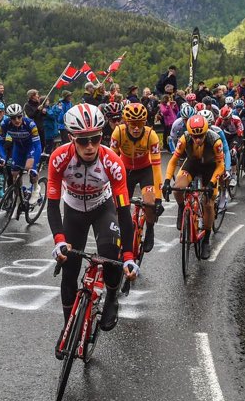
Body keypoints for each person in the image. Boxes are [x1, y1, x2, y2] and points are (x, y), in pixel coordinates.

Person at [48, 103, 137, 355]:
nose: (90, 146)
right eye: (83, 140)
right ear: (71, 138)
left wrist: (129, 257)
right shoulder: (59, 158)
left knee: (110, 254)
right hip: (73, 210)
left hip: (102, 207)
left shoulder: (113, 162)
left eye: (95, 139)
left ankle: (111, 296)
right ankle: (68, 328)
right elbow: (52, 205)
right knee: (69, 269)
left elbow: (123, 212)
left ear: (102, 136)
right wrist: (58, 240)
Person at [162, 114, 225, 259]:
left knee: (208, 204)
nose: (198, 139)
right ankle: (181, 208)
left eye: (201, 136)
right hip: (192, 164)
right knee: (178, 188)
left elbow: (221, 165)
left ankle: (206, 240)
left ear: (206, 131)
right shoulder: (184, 138)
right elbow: (173, 161)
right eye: (194, 136)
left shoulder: (215, 140)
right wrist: (166, 181)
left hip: (210, 167)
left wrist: (211, 183)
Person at [110, 103, 163, 252]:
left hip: (145, 170)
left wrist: (158, 198)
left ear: (144, 123)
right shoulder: (118, 133)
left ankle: (150, 229)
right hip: (125, 170)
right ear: (126, 122)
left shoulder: (150, 135)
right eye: (132, 124)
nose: (136, 128)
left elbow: (157, 167)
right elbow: (111, 162)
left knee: (149, 202)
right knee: (119, 206)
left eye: (140, 124)